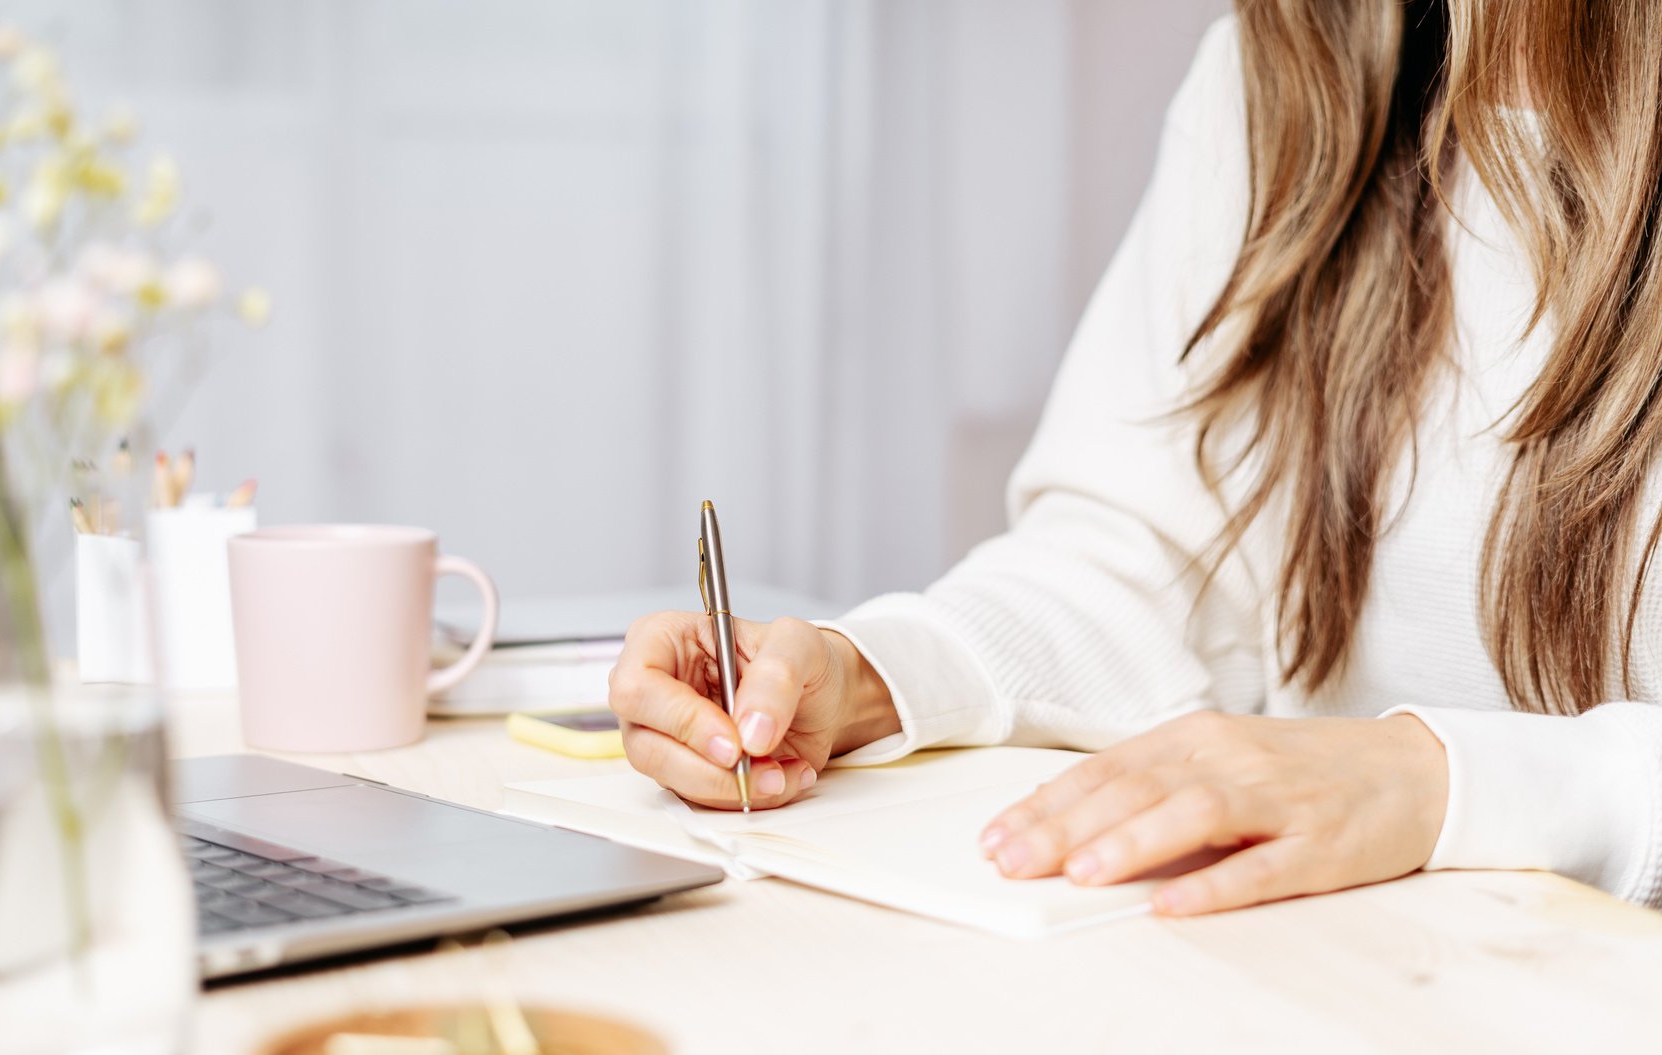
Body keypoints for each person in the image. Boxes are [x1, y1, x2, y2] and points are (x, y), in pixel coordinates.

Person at [608, 1, 1662, 917]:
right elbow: (1138, 561)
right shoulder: (1280, 86)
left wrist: (1441, 782)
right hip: (1342, 968)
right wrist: (869, 675)